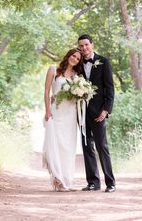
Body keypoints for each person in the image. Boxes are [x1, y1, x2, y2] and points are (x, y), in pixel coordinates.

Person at [78, 34, 116, 193]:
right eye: (81, 46)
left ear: (91, 45)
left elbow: (110, 88)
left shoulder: (103, 61)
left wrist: (106, 110)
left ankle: (110, 183)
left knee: (102, 147)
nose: (84, 48)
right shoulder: (78, 64)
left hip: (99, 112)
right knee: (87, 147)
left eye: (86, 45)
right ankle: (93, 182)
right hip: (82, 112)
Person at [42, 48, 83, 192]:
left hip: (70, 114)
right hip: (56, 112)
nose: (75, 59)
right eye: (74, 56)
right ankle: (57, 179)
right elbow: (47, 92)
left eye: (78, 59)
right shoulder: (53, 69)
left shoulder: (76, 76)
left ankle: (66, 181)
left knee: (68, 147)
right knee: (55, 144)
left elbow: (79, 95)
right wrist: (47, 111)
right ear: (68, 55)